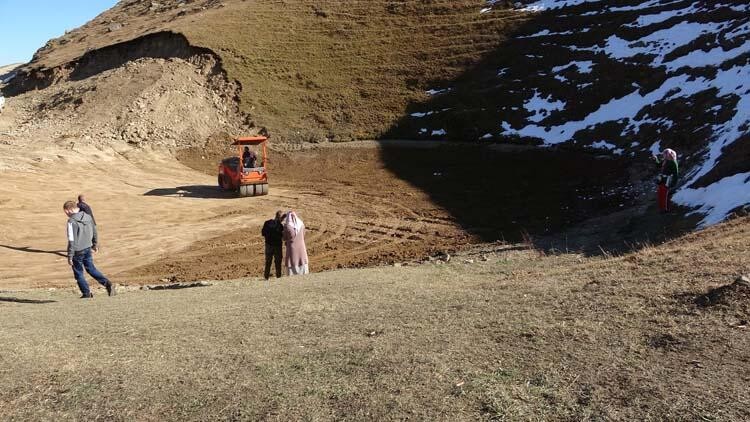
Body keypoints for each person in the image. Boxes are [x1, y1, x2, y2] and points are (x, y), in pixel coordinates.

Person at [63, 200, 115, 298]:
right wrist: (94, 244)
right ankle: (107, 283)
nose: (66, 215)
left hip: (77, 250)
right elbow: (94, 231)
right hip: (87, 247)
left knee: (78, 273)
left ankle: (86, 293)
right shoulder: (88, 216)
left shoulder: (71, 221)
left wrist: (70, 256)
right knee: (91, 269)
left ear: (69, 210)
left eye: (66, 212)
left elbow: (71, 239)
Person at [282, 211, 309, 275]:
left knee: (292, 261)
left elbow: (284, 238)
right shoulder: (301, 225)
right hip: (302, 248)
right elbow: (303, 234)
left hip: (292, 249)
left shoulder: (287, 227)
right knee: (302, 260)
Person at [653, 148, 679, 213]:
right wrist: (655, 159)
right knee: (660, 193)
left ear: (669, 154)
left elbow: (676, 174)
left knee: (664, 194)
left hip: (667, 180)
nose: (664, 155)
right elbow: (658, 165)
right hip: (662, 180)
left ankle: (665, 209)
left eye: (665, 154)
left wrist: (673, 183)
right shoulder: (665, 161)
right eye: (664, 154)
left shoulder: (673, 162)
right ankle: (662, 209)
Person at [261, 210, 284, 280]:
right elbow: (282, 237)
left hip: (268, 245)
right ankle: (278, 277)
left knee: (268, 262)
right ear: (281, 218)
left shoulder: (267, 223)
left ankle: (266, 277)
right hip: (277, 246)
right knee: (278, 263)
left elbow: (263, 233)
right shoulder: (280, 226)